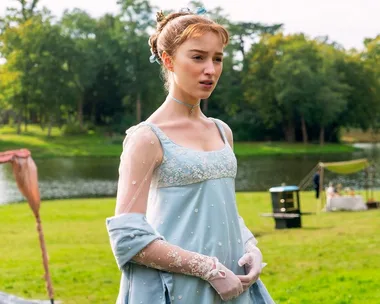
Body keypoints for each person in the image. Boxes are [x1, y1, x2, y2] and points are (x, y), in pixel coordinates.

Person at [106, 8, 274, 304]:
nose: (210, 69)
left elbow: (223, 210)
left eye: (217, 58)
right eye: (198, 57)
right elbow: (128, 237)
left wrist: (251, 247)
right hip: (178, 289)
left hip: (235, 286)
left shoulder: (223, 131)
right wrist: (208, 269)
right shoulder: (147, 138)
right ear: (169, 61)